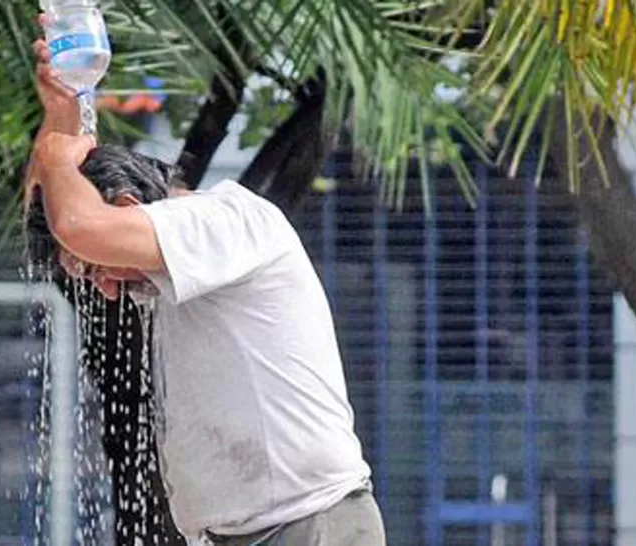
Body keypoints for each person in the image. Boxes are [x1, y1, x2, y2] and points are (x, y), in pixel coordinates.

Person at [27, 35, 386, 546]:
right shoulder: (175, 273)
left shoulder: (226, 219)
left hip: (309, 526)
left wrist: (53, 153)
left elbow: (81, 224)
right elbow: (64, 218)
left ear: (130, 208)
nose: (105, 289)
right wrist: (63, 117)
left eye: (98, 269)